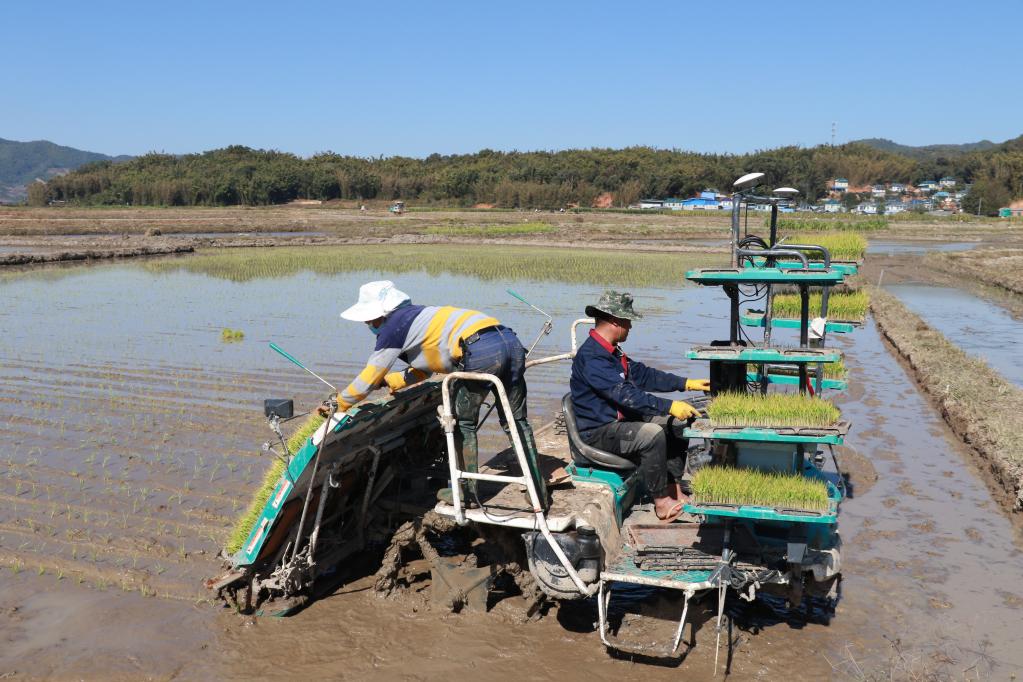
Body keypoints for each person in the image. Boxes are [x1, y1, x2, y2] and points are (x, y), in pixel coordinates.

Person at [321, 280, 545, 507]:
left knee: (461, 423)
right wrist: (393, 381)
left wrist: (339, 404)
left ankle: (467, 494)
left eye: (370, 319)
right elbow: (426, 367)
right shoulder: (422, 316)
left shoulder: (394, 327)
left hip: (480, 351)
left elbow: (368, 377)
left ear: (384, 313)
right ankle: (538, 490)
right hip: (510, 342)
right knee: (517, 421)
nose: (369, 324)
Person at [570, 291, 709, 522]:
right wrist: (668, 405)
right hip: (599, 431)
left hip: (619, 423)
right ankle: (662, 503)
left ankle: (673, 488)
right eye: (628, 321)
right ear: (615, 321)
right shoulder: (592, 357)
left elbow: (642, 375)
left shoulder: (611, 351)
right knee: (651, 434)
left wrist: (685, 384)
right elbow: (626, 396)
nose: (631, 326)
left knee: (678, 423)